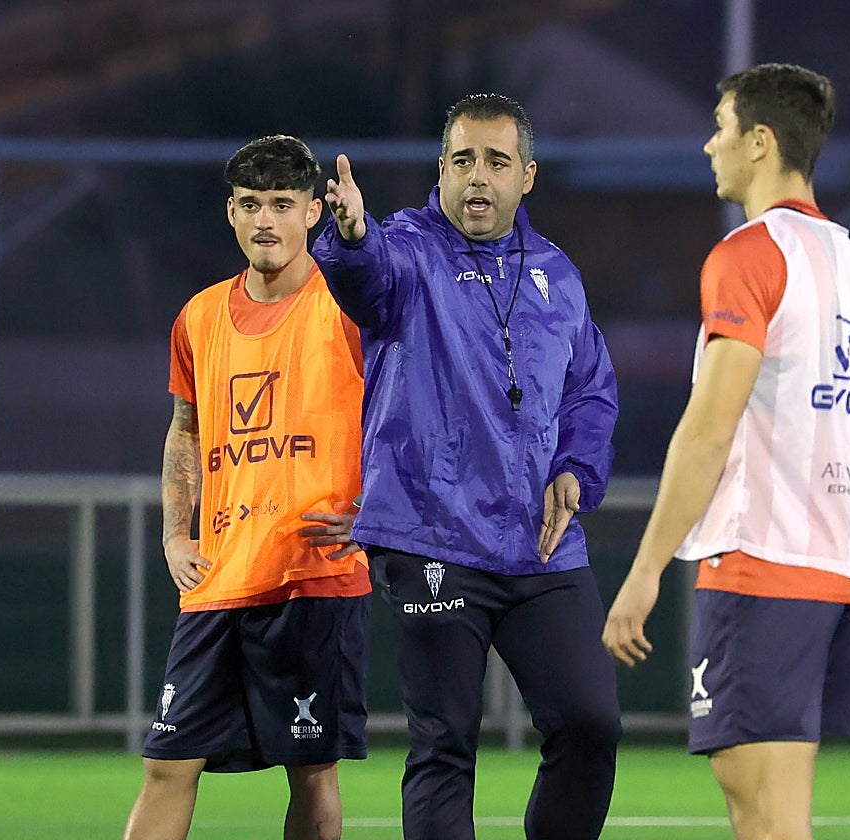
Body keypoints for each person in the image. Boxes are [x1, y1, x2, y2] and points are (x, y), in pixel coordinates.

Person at [313, 93, 621, 840]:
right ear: (440, 170)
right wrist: (351, 234)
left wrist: (576, 469)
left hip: (541, 544)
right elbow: (366, 276)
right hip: (434, 538)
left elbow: (590, 391)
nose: (477, 176)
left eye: (496, 161)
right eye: (462, 160)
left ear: (527, 176)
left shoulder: (558, 275)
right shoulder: (407, 249)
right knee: (445, 742)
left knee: (591, 724)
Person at [602, 63, 850, 840]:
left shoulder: (749, 254)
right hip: (839, 567)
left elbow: (709, 427)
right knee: (775, 815)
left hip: (763, 563)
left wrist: (645, 570)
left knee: (762, 817)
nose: (709, 145)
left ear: (760, 141)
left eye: (722, 127)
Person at [122, 135, 369, 840]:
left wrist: (377, 512)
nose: (266, 220)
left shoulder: (349, 305)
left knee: (312, 770)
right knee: (167, 763)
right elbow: (186, 429)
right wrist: (175, 533)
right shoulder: (198, 316)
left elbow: (408, 416)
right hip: (219, 576)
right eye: (252, 204)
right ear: (230, 212)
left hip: (314, 574)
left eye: (283, 204)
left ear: (313, 213)